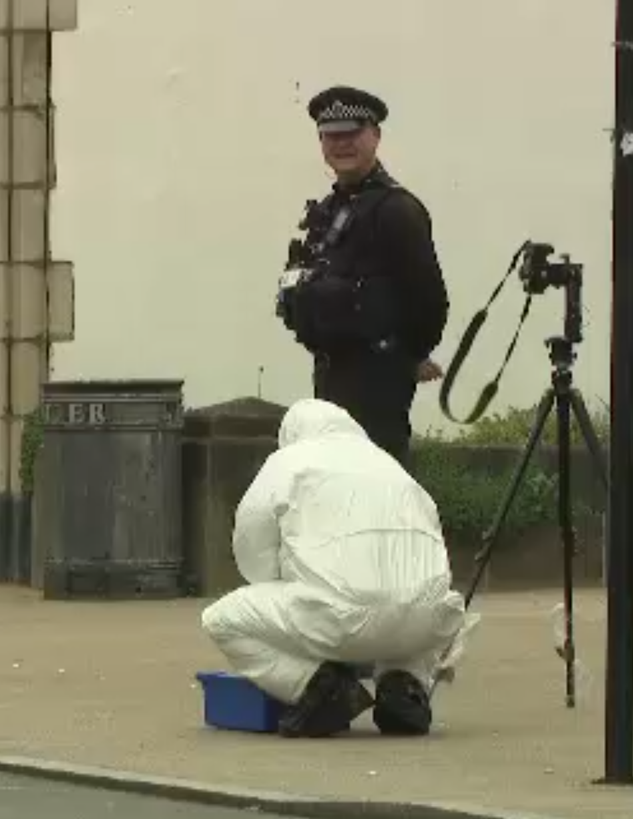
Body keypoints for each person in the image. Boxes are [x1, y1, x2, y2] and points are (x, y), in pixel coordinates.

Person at [199, 398, 474, 738]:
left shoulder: (288, 461)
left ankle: (319, 687)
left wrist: (286, 581)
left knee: (220, 620)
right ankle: (404, 684)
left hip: (338, 619)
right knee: (416, 602)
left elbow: (252, 551)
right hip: (428, 623)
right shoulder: (389, 464)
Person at [274, 85, 449, 469]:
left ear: (375, 135)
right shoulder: (327, 211)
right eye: (332, 136)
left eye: (352, 134)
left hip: (378, 383)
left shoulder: (397, 210)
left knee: (375, 486)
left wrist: (408, 356)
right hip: (329, 375)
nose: (342, 144)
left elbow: (430, 301)